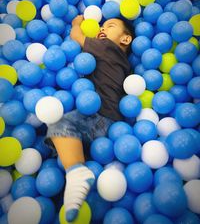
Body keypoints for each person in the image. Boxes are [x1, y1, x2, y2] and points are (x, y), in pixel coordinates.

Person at [45, 15, 134, 222]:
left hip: (99, 116)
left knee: (60, 123)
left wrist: (76, 22)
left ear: (125, 40)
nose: (102, 29)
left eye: (110, 26)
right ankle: (74, 183)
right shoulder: (122, 62)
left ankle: (77, 172)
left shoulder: (106, 48)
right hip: (111, 125)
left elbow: (76, 35)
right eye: (101, 26)